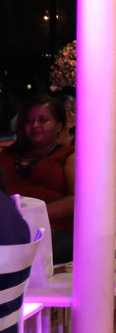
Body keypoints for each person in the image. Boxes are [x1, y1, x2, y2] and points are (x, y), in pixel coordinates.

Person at [0, 96, 74, 263]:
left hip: (54, 228)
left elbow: (75, 200)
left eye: (42, 120)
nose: (34, 125)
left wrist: (32, 214)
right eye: (29, 120)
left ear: (58, 126)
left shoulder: (68, 155)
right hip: (9, 228)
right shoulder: (7, 155)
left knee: (18, 253)